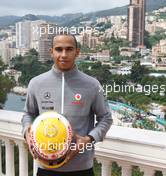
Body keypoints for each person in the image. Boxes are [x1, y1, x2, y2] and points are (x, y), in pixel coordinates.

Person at [22, 33, 113, 176]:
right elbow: (28, 113)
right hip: (46, 167)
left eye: (69, 49)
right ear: (51, 52)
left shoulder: (92, 84)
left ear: (77, 52)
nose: (64, 54)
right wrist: (26, 131)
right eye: (59, 49)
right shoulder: (36, 83)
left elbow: (106, 117)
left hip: (82, 168)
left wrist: (89, 139)